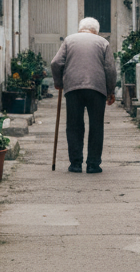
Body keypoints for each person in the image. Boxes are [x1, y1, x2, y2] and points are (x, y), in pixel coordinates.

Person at [50, 17, 117, 173]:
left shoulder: (69, 40)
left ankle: (75, 164)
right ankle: (93, 164)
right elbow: (110, 69)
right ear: (96, 30)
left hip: (73, 88)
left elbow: (55, 63)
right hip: (97, 89)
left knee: (74, 126)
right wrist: (111, 91)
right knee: (96, 125)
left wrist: (58, 82)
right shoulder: (103, 43)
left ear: (81, 28)